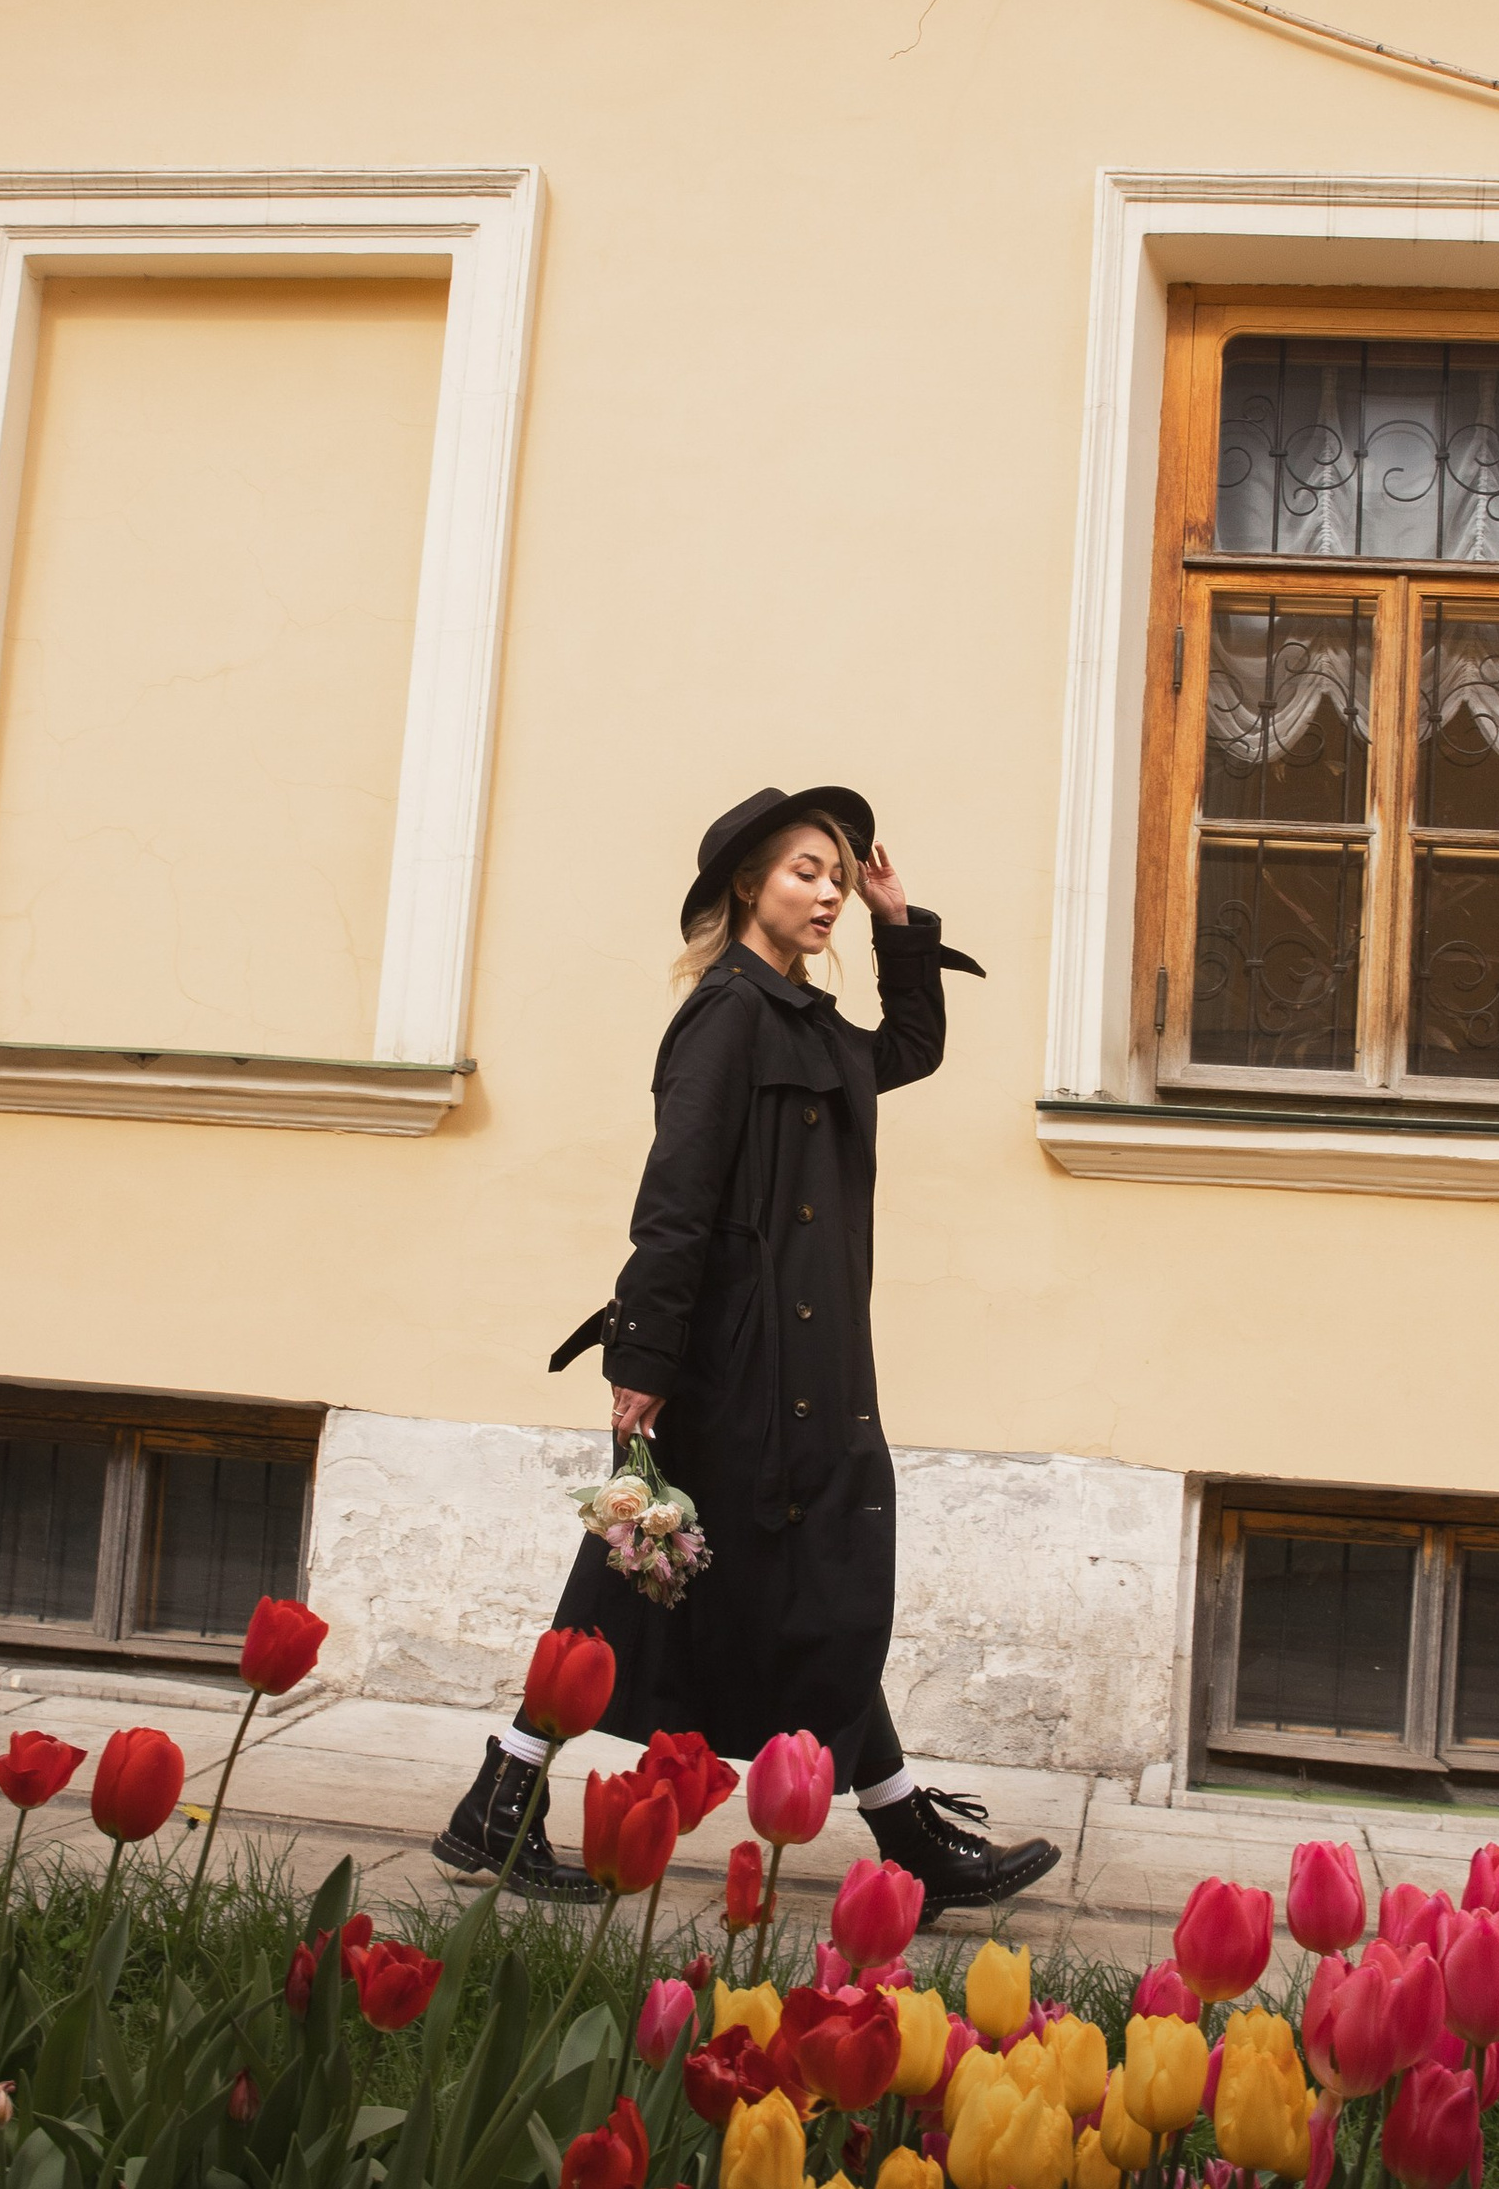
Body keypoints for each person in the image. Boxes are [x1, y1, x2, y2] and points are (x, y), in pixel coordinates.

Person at [436, 785, 1062, 1913]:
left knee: (781, 1586)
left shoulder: (801, 1016)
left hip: (805, 1362)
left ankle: (505, 1800)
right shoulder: (727, 1014)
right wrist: (645, 1355)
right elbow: (673, 1197)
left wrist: (892, 919)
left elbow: (907, 1051)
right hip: (739, 1366)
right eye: (804, 873)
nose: (825, 891)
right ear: (744, 887)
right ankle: (903, 1833)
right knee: (669, 1580)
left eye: (835, 873)